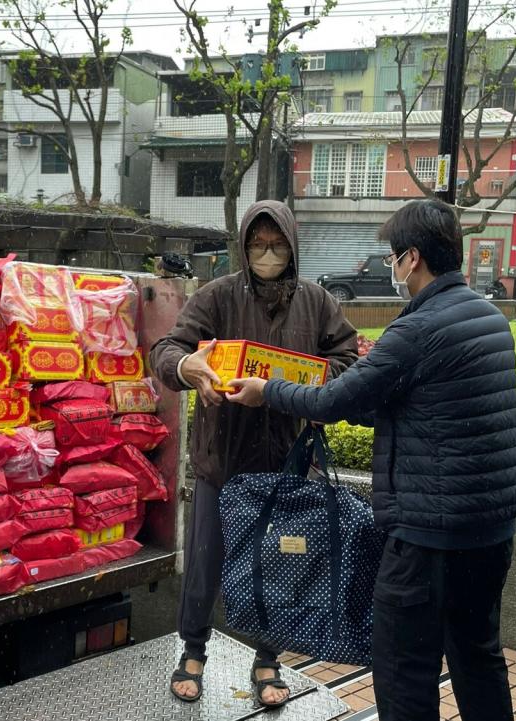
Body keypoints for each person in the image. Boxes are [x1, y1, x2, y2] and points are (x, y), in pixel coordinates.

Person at [227, 198, 516, 721]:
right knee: (478, 657)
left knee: (403, 669)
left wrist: (266, 390)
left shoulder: (417, 329)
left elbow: (334, 400)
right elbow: (416, 409)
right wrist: (373, 383)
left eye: (392, 256)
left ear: (412, 258)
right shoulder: (488, 317)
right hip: (489, 531)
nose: (392, 266)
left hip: (428, 539)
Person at [149, 199, 358, 707]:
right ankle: (192, 651)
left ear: (292, 245)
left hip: (287, 461)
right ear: (243, 247)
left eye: (277, 243)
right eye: (258, 244)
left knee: (278, 563)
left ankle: (268, 659)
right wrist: (190, 370)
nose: (268, 253)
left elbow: (348, 359)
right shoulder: (217, 297)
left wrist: (308, 382)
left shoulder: (317, 301)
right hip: (222, 455)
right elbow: (166, 351)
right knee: (205, 558)